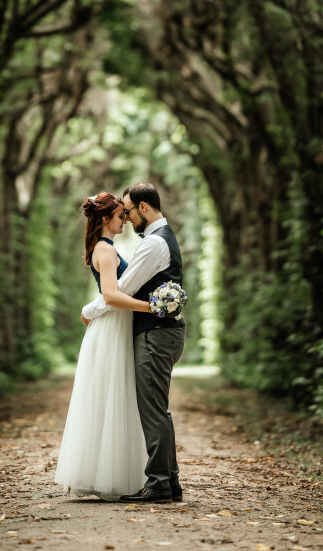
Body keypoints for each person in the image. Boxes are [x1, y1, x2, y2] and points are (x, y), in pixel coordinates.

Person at [82, 182, 185, 505]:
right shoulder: (157, 239)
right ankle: (169, 482)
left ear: (143, 208)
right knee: (157, 409)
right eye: (120, 213)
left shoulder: (154, 244)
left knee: (153, 410)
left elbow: (121, 289)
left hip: (156, 333)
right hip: (158, 331)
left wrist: (89, 310)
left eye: (127, 211)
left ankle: (158, 484)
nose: (125, 218)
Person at [55, 192, 151, 501]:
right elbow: (110, 296)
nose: (125, 219)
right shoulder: (106, 251)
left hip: (115, 325)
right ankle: (110, 478)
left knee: (113, 397)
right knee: (112, 396)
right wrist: (152, 307)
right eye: (121, 215)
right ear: (105, 218)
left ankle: (109, 474)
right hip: (111, 328)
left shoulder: (106, 248)